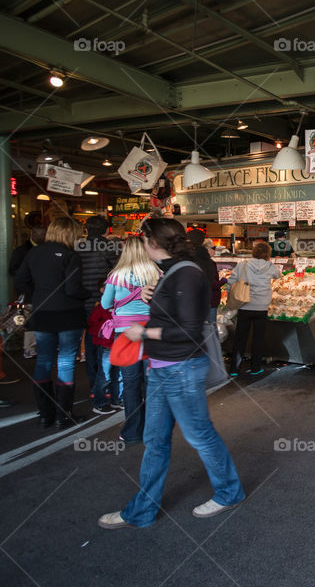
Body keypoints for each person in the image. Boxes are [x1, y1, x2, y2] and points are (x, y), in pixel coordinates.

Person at [98, 217, 244, 529]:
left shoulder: (186, 273)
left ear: (154, 242)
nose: (141, 242)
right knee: (155, 439)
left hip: (181, 368)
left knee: (199, 435)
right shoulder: (171, 272)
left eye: (144, 237)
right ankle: (142, 510)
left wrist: (144, 333)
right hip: (163, 368)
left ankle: (229, 491)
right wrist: (154, 297)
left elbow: (190, 331)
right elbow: (176, 314)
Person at [14, 217, 89, 429]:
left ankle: (45, 414)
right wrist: (89, 293)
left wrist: (36, 295)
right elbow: (73, 289)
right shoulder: (71, 256)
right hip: (68, 314)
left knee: (44, 361)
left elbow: (20, 281)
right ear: (69, 234)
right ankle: (63, 415)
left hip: (42, 313)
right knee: (65, 361)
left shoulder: (34, 253)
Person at [101, 236, 161, 443]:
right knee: (152, 381)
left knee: (130, 383)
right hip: (150, 331)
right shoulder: (156, 273)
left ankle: (133, 431)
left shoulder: (116, 276)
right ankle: (153, 430)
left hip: (126, 333)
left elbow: (105, 303)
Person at [78, 215, 119, 396]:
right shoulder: (111, 247)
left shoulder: (78, 246)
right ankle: (105, 386)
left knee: (90, 342)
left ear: (86, 229)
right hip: (105, 302)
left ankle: (95, 384)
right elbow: (118, 273)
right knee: (105, 343)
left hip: (84, 301)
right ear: (106, 230)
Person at [227, 241, 281, 376]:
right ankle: (255, 367)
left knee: (240, 338)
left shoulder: (243, 264)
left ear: (254, 252)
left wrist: (230, 294)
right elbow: (278, 275)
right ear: (268, 254)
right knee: (258, 338)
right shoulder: (270, 266)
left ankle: (234, 369)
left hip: (245, 305)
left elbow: (231, 281)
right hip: (262, 307)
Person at [10, 213, 46, 359]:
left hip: (42, 289)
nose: (42, 236)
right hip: (29, 290)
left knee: (41, 318)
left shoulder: (44, 249)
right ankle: (29, 347)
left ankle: (39, 345)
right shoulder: (21, 251)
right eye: (40, 233)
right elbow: (13, 270)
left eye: (44, 233)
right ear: (33, 234)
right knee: (30, 319)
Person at [87, 281, 121, 415]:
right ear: (102, 290)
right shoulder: (101, 306)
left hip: (118, 343)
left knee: (118, 374)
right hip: (107, 345)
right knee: (105, 375)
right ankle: (99, 402)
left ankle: (116, 399)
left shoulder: (121, 303)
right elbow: (93, 325)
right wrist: (103, 334)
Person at [186, 229, 221, 323]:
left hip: (192, 302)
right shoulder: (207, 262)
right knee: (209, 328)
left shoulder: (187, 259)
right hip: (205, 301)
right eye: (214, 248)